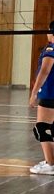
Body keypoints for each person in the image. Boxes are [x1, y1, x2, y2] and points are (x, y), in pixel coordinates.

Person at [29, 21, 54, 175]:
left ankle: (51, 164)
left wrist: (33, 93)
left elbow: (44, 71)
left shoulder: (51, 50)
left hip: (50, 94)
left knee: (42, 128)